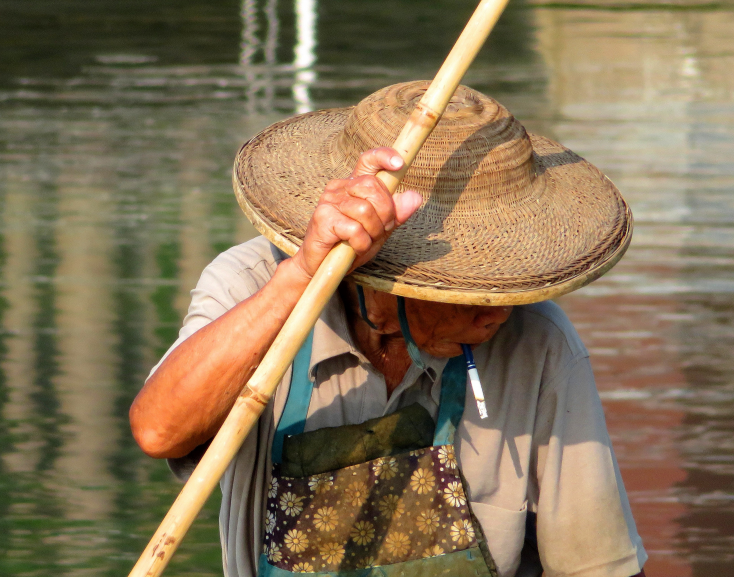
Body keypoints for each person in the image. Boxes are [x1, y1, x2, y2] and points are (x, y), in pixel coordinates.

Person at [130, 82, 648, 577]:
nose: (496, 313)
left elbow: (598, 565)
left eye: (506, 290)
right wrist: (302, 279)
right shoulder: (255, 285)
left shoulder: (538, 344)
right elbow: (159, 431)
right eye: (473, 293)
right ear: (390, 274)